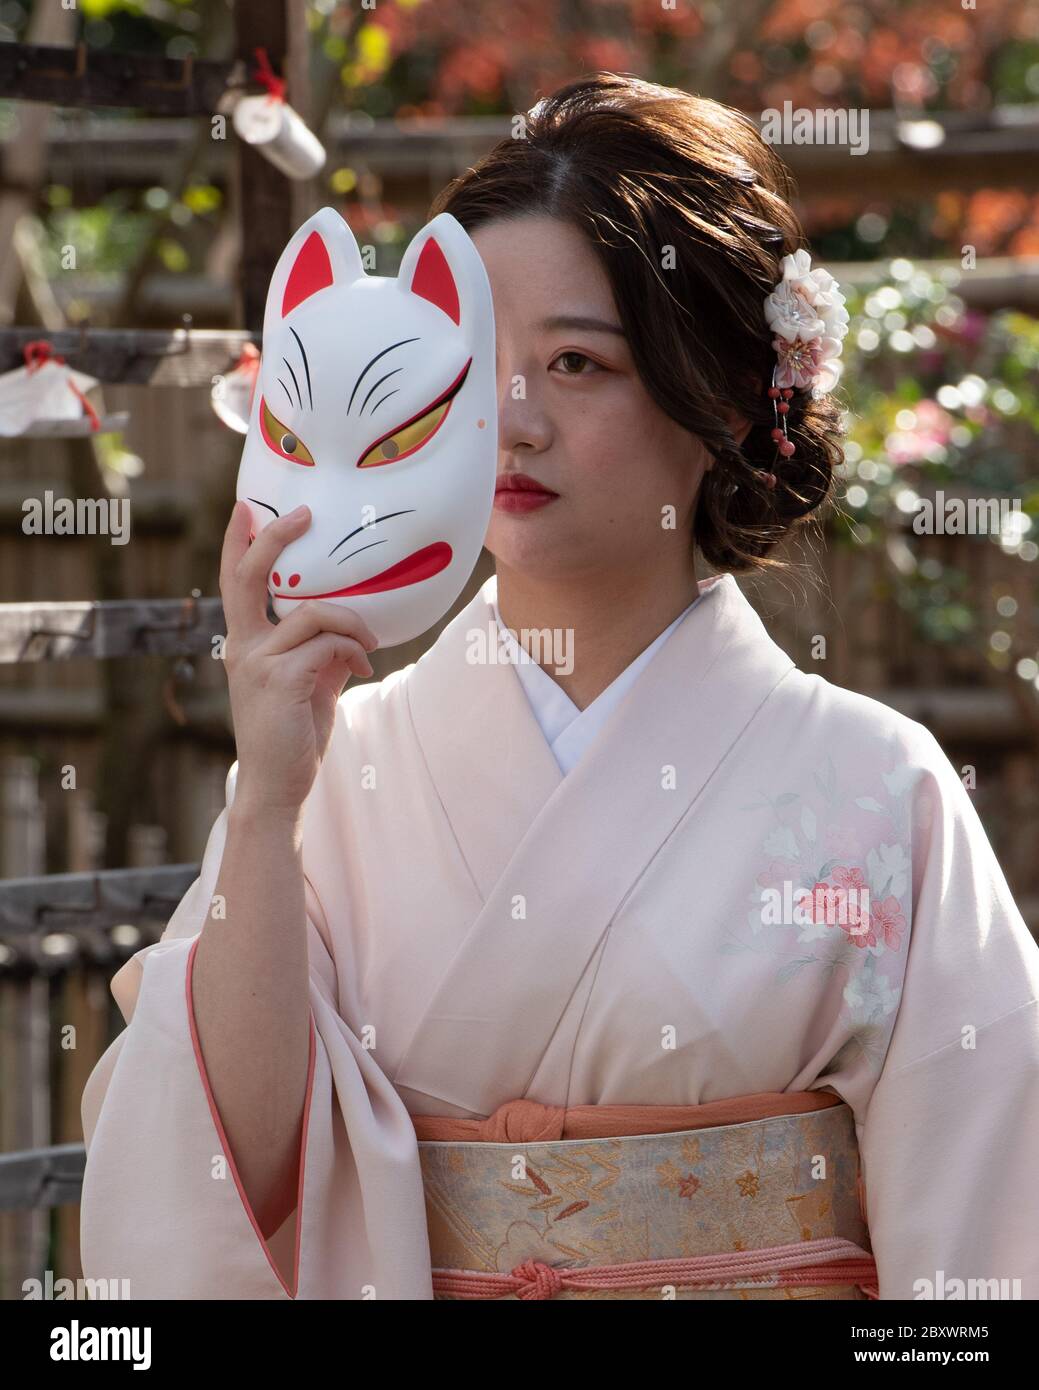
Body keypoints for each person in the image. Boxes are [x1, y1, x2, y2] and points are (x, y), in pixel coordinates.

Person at [80, 73, 1039, 1302]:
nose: (512, 422)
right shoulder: (333, 767)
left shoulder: (878, 789)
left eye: (578, 363)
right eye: (473, 367)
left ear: (727, 399)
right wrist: (265, 797)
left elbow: (987, 1241)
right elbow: (218, 1172)